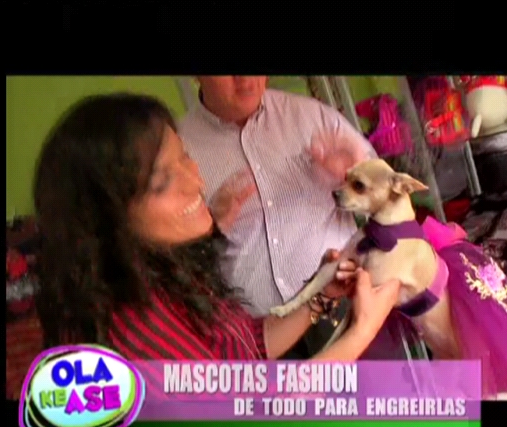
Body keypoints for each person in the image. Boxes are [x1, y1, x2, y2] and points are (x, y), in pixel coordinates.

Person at [33, 93, 401, 362]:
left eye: (186, 158)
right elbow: (253, 415)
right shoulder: (135, 335)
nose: (197, 183)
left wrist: (321, 295)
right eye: (163, 182)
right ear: (105, 217)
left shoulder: (166, 276)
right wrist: (360, 331)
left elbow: (244, 347)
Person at [178, 76, 382, 357]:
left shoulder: (313, 117)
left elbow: (389, 204)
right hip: (259, 342)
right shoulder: (180, 153)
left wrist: (355, 181)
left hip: (347, 309)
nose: (246, 79)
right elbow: (178, 267)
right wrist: (210, 229)